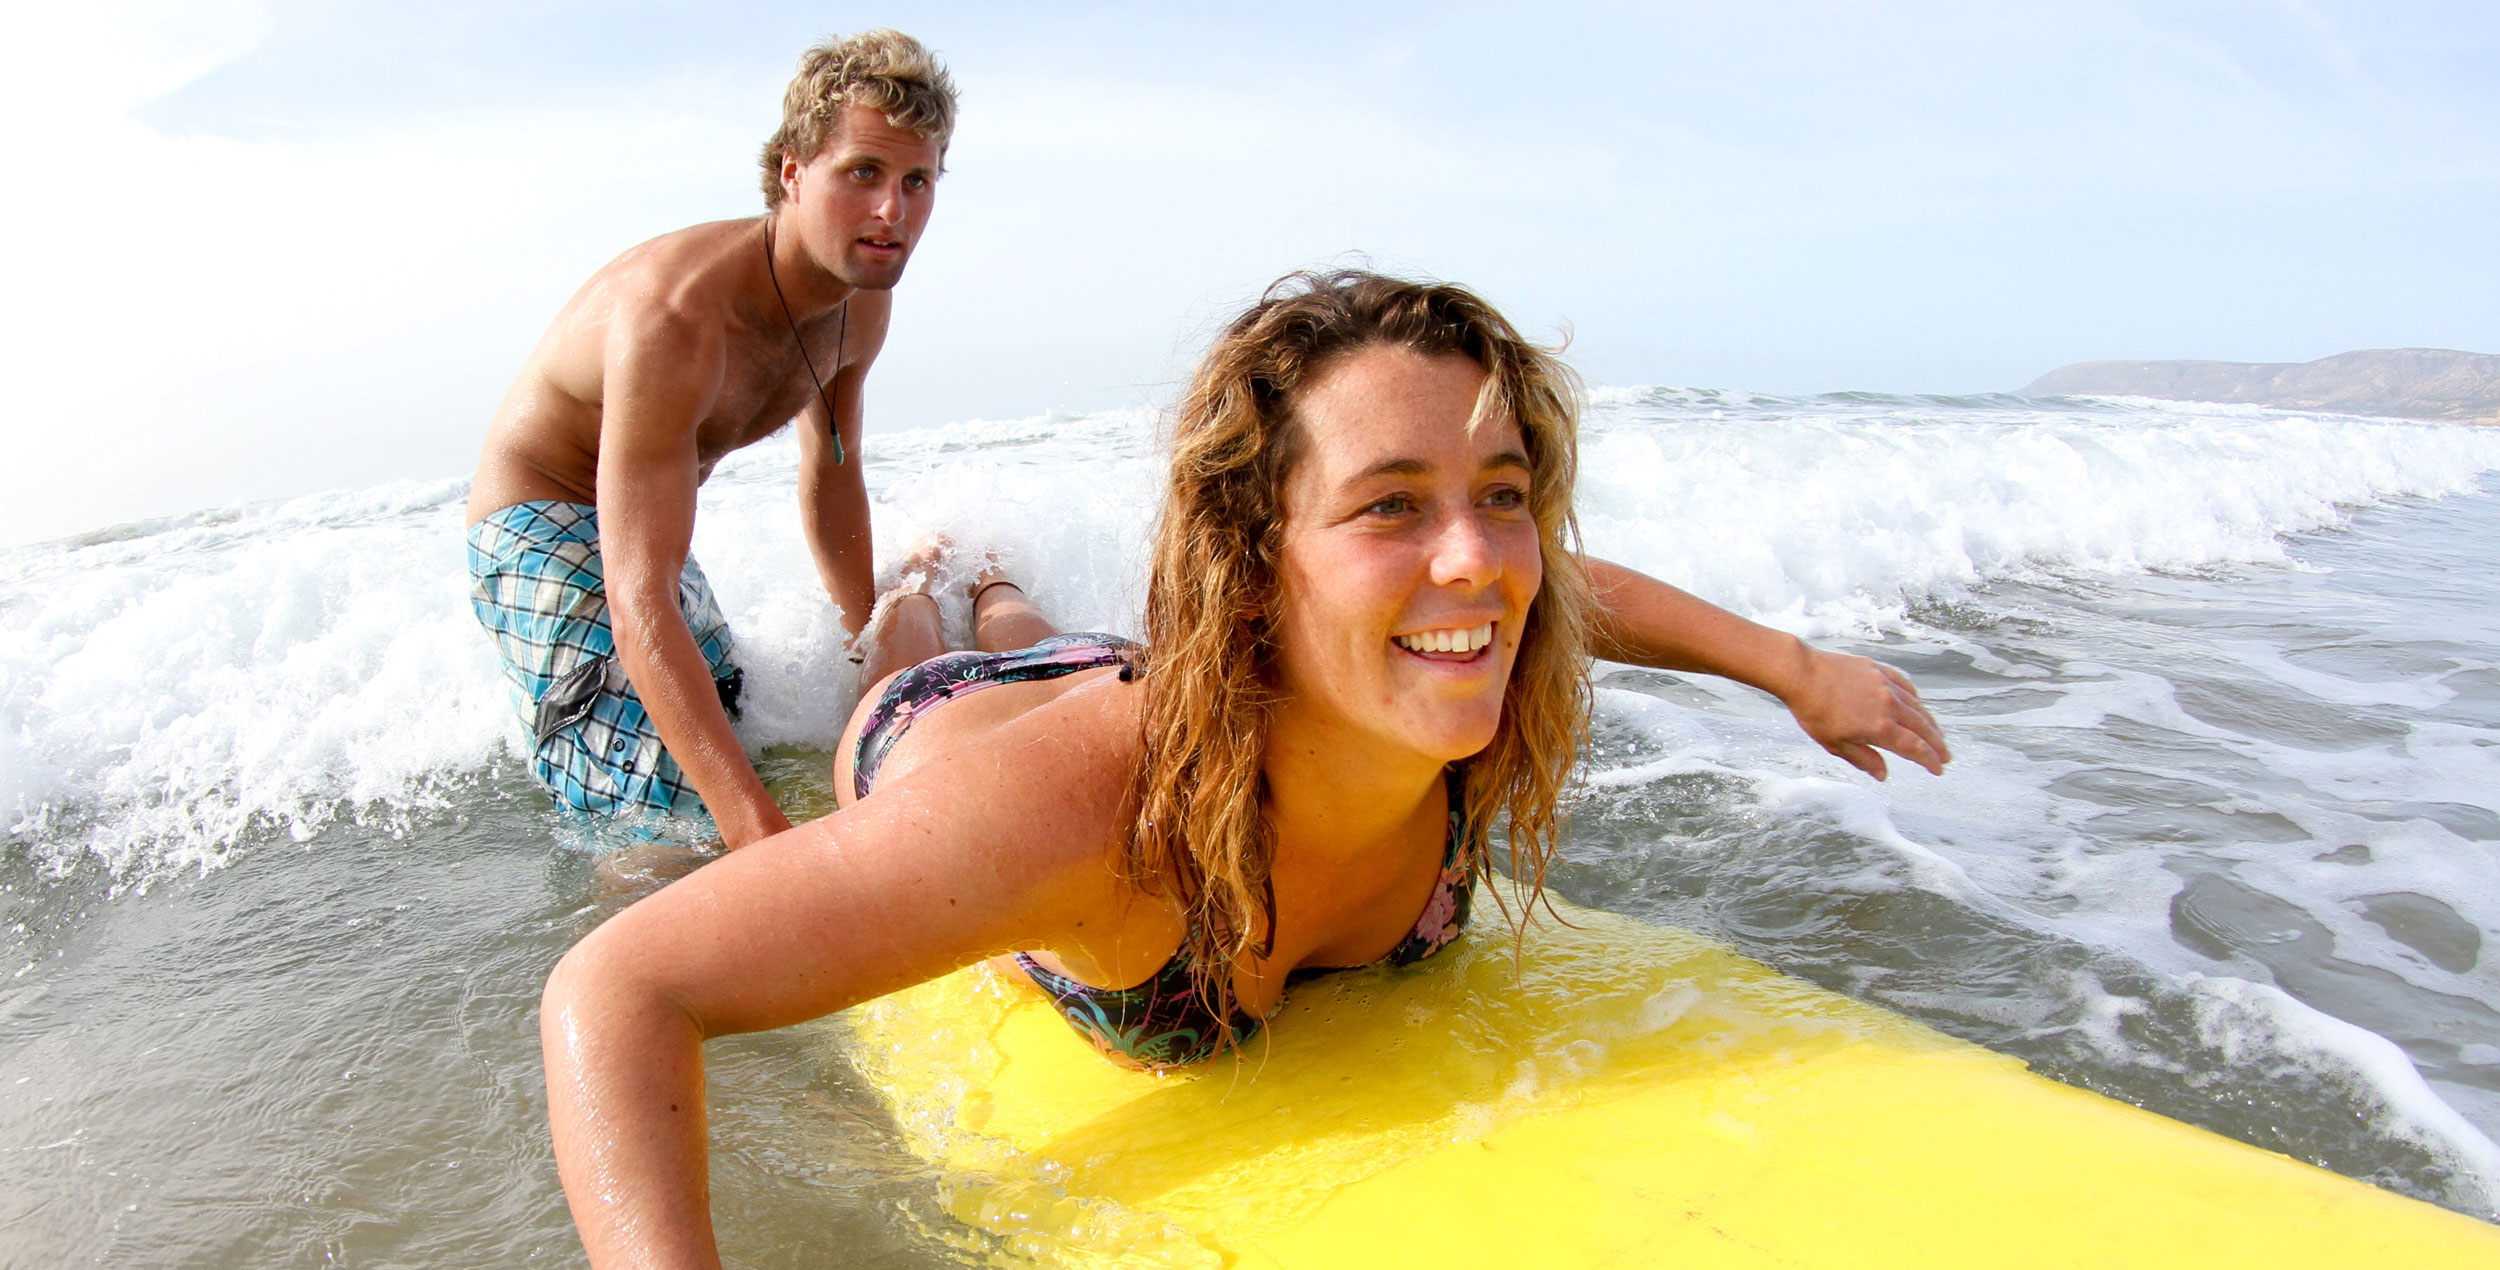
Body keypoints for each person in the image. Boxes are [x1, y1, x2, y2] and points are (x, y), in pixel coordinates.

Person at [539, 270, 1951, 1265]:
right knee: (908, 653)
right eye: (1389, 501)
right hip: (957, 732)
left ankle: (1003, 586)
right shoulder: (1093, 818)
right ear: (1255, 558)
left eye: (1501, 493)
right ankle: (921, 586)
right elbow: (619, 990)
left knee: (1050, 627)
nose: (1477, 557)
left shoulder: (1459, 663)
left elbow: (1576, 587)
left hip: (1140, 667)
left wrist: (1796, 669)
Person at [463, 31, 954, 847]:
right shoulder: (678, 319)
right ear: (793, 171)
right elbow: (637, 599)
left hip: (638, 523)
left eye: (917, 181)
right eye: (862, 173)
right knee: (663, 814)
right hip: (539, 526)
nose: (891, 213)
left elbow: (832, 472)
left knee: (732, 727)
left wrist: (865, 641)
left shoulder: (860, 304)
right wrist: (761, 842)